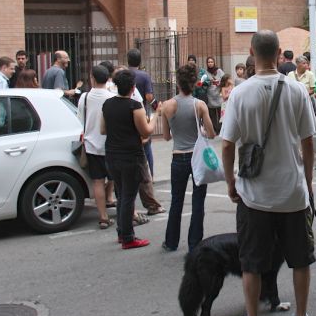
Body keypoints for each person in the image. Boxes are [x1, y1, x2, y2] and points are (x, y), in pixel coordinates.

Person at [220, 30, 316, 316]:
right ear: (278, 53)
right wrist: (308, 182)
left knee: (251, 262)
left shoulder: (239, 93)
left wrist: (230, 181)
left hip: (254, 195)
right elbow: (308, 143)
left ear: (252, 52)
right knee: (300, 260)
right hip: (292, 194)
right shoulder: (297, 90)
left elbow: (227, 144)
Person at [162, 63, 216, 252]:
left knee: (176, 200)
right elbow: (211, 133)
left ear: (178, 83)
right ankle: (195, 243)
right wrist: (200, 128)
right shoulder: (199, 105)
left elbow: (167, 136)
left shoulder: (167, 105)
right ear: (194, 83)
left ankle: (171, 242)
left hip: (178, 158)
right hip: (196, 157)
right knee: (198, 201)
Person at [101, 69, 156, 249]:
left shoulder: (107, 104)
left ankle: (121, 231)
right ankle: (128, 237)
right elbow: (146, 131)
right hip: (131, 155)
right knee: (128, 197)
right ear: (133, 88)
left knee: (121, 192)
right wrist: (156, 116)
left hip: (112, 154)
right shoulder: (134, 106)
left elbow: (103, 129)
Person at [77, 65, 115, 230]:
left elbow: (80, 120)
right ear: (108, 79)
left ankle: (103, 217)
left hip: (92, 145)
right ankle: (127, 212)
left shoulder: (84, 97)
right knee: (117, 180)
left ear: (92, 77)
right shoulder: (112, 97)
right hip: (112, 145)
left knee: (97, 181)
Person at [203, 56, 225, 134]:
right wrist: (208, 82)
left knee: (220, 113)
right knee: (212, 114)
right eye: (208, 62)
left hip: (218, 94)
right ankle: (215, 129)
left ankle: (221, 129)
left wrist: (219, 83)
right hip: (210, 94)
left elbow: (225, 80)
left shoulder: (219, 71)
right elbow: (203, 83)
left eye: (211, 62)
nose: (210, 63)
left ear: (214, 62)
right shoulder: (205, 72)